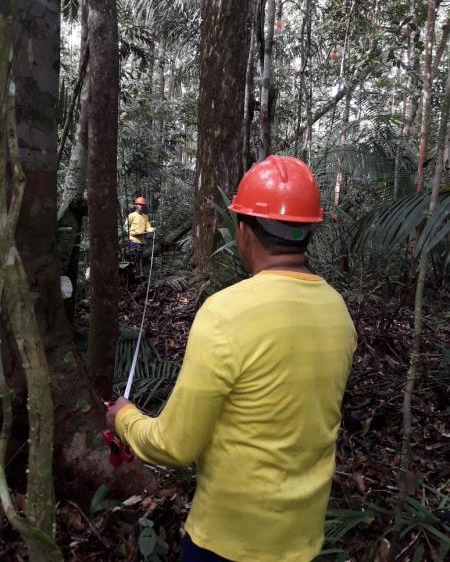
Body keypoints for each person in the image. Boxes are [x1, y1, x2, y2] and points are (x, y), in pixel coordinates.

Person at [107, 156, 357, 562]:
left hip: (225, 544)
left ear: (243, 231)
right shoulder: (338, 312)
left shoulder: (225, 312)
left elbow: (173, 446)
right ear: (309, 231)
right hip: (303, 542)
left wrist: (123, 417)